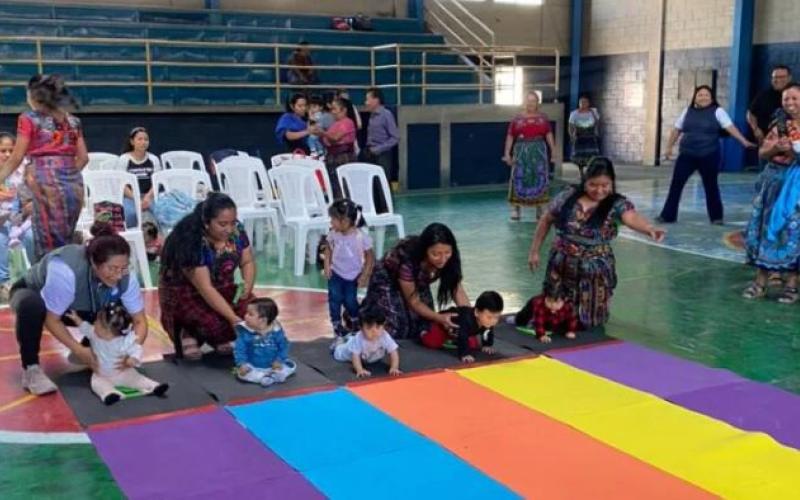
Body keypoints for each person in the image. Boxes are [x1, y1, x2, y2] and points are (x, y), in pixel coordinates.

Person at [9, 222, 147, 395]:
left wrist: (133, 350)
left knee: (121, 311)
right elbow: (52, 319)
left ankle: (95, 348)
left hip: (79, 307)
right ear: (94, 264)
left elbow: (140, 320)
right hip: (36, 297)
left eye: (123, 268)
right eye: (112, 269)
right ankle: (31, 370)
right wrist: (79, 350)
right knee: (31, 306)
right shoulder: (66, 269)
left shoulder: (126, 276)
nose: (119, 275)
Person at [528, 157, 665, 328]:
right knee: (553, 313)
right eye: (593, 184)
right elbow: (546, 220)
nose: (599, 190)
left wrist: (648, 228)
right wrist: (534, 251)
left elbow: (631, 218)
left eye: (605, 185)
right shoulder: (567, 196)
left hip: (594, 270)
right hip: (560, 264)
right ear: (585, 181)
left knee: (589, 323)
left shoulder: (617, 204)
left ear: (612, 183)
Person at [0, 74, 89, 261]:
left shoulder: (28, 118)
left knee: (48, 244)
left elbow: (17, 156)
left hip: (44, 183)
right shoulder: (74, 121)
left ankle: (49, 287)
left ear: (33, 96)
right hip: (74, 185)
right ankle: (67, 285)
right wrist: (66, 174)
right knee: (66, 240)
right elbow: (83, 158)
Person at [158, 193, 256, 359]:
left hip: (220, 286)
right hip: (186, 294)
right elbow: (205, 288)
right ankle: (186, 332)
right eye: (222, 224)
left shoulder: (237, 230)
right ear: (206, 222)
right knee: (216, 326)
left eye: (232, 222)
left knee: (255, 310)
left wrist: (247, 286)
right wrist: (233, 319)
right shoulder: (191, 241)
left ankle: (218, 335)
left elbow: (247, 261)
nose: (229, 229)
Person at [658, 85, 756, 224]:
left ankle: (716, 217)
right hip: (687, 154)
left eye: (706, 95)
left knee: (711, 186)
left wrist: (744, 141)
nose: (703, 97)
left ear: (711, 98)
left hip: (709, 154)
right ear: (695, 98)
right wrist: (668, 148)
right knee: (676, 185)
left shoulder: (718, 111)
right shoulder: (687, 111)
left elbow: (730, 128)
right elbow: (676, 130)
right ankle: (667, 216)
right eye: (700, 95)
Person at [742, 83, 800, 304]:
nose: (790, 103)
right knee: (767, 230)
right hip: (774, 184)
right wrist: (777, 148)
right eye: (786, 99)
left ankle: (792, 286)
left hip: (797, 188)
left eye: (795, 98)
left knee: (793, 232)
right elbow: (763, 152)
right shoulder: (780, 126)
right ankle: (760, 282)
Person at [363, 222, 469, 339]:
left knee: (424, 325)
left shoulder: (450, 259)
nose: (443, 259)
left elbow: (457, 289)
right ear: (425, 251)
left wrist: (470, 316)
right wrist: (440, 318)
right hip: (387, 279)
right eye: (436, 254)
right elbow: (414, 302)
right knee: (399, 329)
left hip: (418, 280)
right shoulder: (407, 260)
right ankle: (360, 315)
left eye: (447, 253)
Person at [66, 304, 167, 405]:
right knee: (97, 384)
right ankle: (109, 394)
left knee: (137, 378)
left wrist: (132, 359)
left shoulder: (122, 342)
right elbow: (85, 327)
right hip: (101, 375)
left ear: (107, 332)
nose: (94, 323)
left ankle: (154, 386)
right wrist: (76, 319)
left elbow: (136, 348)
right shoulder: (93, 334)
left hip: (122, 372)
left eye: (97, 322)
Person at [323, 199, 373, 337]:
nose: (331, 222)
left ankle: (355, 319)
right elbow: (328, 248)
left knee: (350, 299)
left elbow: (370, 257)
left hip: (352, 275)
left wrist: (365, 274)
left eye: (333, 219)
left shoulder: (361, 237)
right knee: (334, 298)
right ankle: (336, 323)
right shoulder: (333, 233)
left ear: (344, 221)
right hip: (336, 273)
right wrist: (327, 265)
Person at [503, 90, 556, 221]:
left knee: (539, 176)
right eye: (528, 100)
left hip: (538, 151)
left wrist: (553, 151)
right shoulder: (517, 119)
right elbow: (510, 136)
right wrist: (507, 154)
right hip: (521, 151)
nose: (530, 103)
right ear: (524, 102)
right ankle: (516, 208)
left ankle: (540, 208)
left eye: (533, 101)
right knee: (519, 177)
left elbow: (549, 135)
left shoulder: (543, 118)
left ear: (537, 103)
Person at [420, 290, 503, 363]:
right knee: (432, 343)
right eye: (489, 317)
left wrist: (487, 345)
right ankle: (423, 330)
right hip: (443, 325)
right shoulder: (467, 320)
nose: (493, 321)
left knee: (473, 346)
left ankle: (453, 340)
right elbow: (462, 336)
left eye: (496, 317)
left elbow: (487, 332)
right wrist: (465, 354)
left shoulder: (487, 321)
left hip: (459, 331)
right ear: (477, 312)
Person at [234, 297, 297, 387]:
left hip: (273, 365)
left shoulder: (276, 330)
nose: (245, 316)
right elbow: (239, 350)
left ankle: (274, 374)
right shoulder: (245, 332)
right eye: (246, 313)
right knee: (242, 374)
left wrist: (279, 360)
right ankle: (263, 377)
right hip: (253, 366)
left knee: (290, 366)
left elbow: (283, 346)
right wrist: (242, 364)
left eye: (250, 314)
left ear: (263, 320)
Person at [332, 305, 401, 378]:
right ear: (361, 328)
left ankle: (348, 337)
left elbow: (393, 351)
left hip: (368, 356)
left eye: (378, 327)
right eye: (369, 328)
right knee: (338, 351)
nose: (374, 331)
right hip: (347, 351)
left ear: (384, 326)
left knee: (352, 339)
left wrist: (394, 367)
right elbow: (355, 356)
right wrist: (360, 370)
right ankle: (338, 342)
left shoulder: (384, 336)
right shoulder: (359, 338)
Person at [0, 132, 29, 300]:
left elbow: (30, 198)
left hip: (21, 219)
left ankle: (33, 280)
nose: (8, 155)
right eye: (3, 151)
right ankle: (4, 283)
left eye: (11, 150)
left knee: (32, 236)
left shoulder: (23, 168)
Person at [117, 127, 161, 229]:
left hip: (149, 196)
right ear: (132, 142)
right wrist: (136, 199)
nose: (143, 142)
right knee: (130, 214)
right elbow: (121, 184)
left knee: (159, 213)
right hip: (130, 197)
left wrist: (148, 197)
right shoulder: (124, 159)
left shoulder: (154, 159)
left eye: (146, 139)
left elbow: (157, 182)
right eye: (140, 139)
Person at [363, 87, 399, 211]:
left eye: (368, 99)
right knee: (373, 183)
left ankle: (387, 210)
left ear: (376, 100)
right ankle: (376, 209)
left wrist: (379, 149)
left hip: (382, 154)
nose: (365, 102)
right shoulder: (372, 115)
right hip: (370, 153)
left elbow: (395, 138)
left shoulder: (386, 115)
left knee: (383, 183)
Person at [514, 284, 580, 343]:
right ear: (545, 297)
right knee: (520, 320)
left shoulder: (568, 305)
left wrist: (571, 331)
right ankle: (517, 319)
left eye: (557, 302)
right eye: (549, 301)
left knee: (555, 324)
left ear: (564, 300)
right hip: (532, 308)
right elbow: (539, 321)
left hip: (552, 318)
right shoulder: (539, 303)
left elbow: (572, 319)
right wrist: (541, 335)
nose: (553, 305)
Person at [320, 97, 358, 197]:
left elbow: (335, 138)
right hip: (332, 158)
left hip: (343, 158)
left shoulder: (348, 122)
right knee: (334, 187)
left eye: (335, 109)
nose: (332, 112)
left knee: (344, 186)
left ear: (344, 110)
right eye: (331, 109)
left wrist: (323, 133)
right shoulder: (334, 124)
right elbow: (327, 141)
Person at [748, 65, 792, 149]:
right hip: (767, 144)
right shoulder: (764, 95)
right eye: (774, 77)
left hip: (791, 145)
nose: (777, 80)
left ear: (789, 78)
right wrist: (756, 129)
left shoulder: (797, 93)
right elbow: (750, 113)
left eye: (782, 77)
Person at [568, 93, 601, 178]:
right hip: (580, 136)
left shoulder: (593, 111)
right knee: (580, 156)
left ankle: (589, 171)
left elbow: (597, 122)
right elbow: (571, 126)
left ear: (588, 103)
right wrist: (571, 135)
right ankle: (581, 172)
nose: (583, 104)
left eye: (585, 102)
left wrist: (593, 114)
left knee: (592, 156)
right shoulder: (574, 114)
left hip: (590, 136)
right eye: (581, 102)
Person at [306, 95, 333, 159]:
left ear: (321, 107)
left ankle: (314, 152)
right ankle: (320, 152)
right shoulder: (315, 114)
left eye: (314, 107)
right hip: (316, 135)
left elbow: (313, 120)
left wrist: (309, 114)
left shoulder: (319, 114)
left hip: (319, 134)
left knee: (310, 140)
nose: (312, 109)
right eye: (310, 107)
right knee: (316, 143)